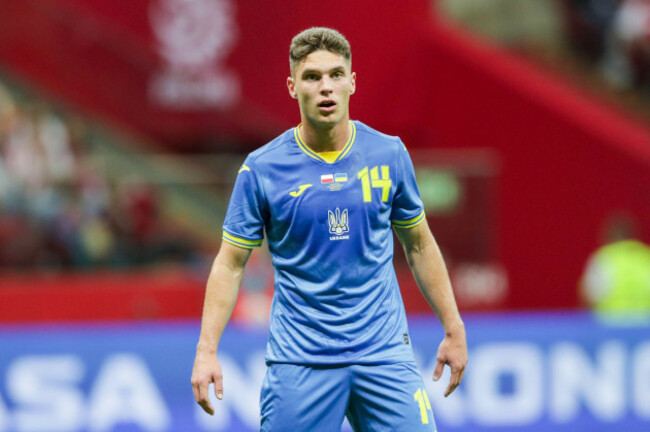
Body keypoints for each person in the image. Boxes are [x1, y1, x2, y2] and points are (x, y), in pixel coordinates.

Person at [191, 27, 467, 431]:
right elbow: (231, 263)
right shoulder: (262, 169)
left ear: (352, 82)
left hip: (384, 353)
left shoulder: (389, 154)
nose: (326, 87)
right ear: (292, 86)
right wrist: (206, 350)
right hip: (301, 361)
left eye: (337, 74)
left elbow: (420, 245)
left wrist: (453, 327)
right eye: (312, 77)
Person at [580, 213, 650, 322]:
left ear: (609, 236)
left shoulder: (604, 258)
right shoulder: (646, 256)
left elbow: (588, 295)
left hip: (611, 327)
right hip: (645, 327)